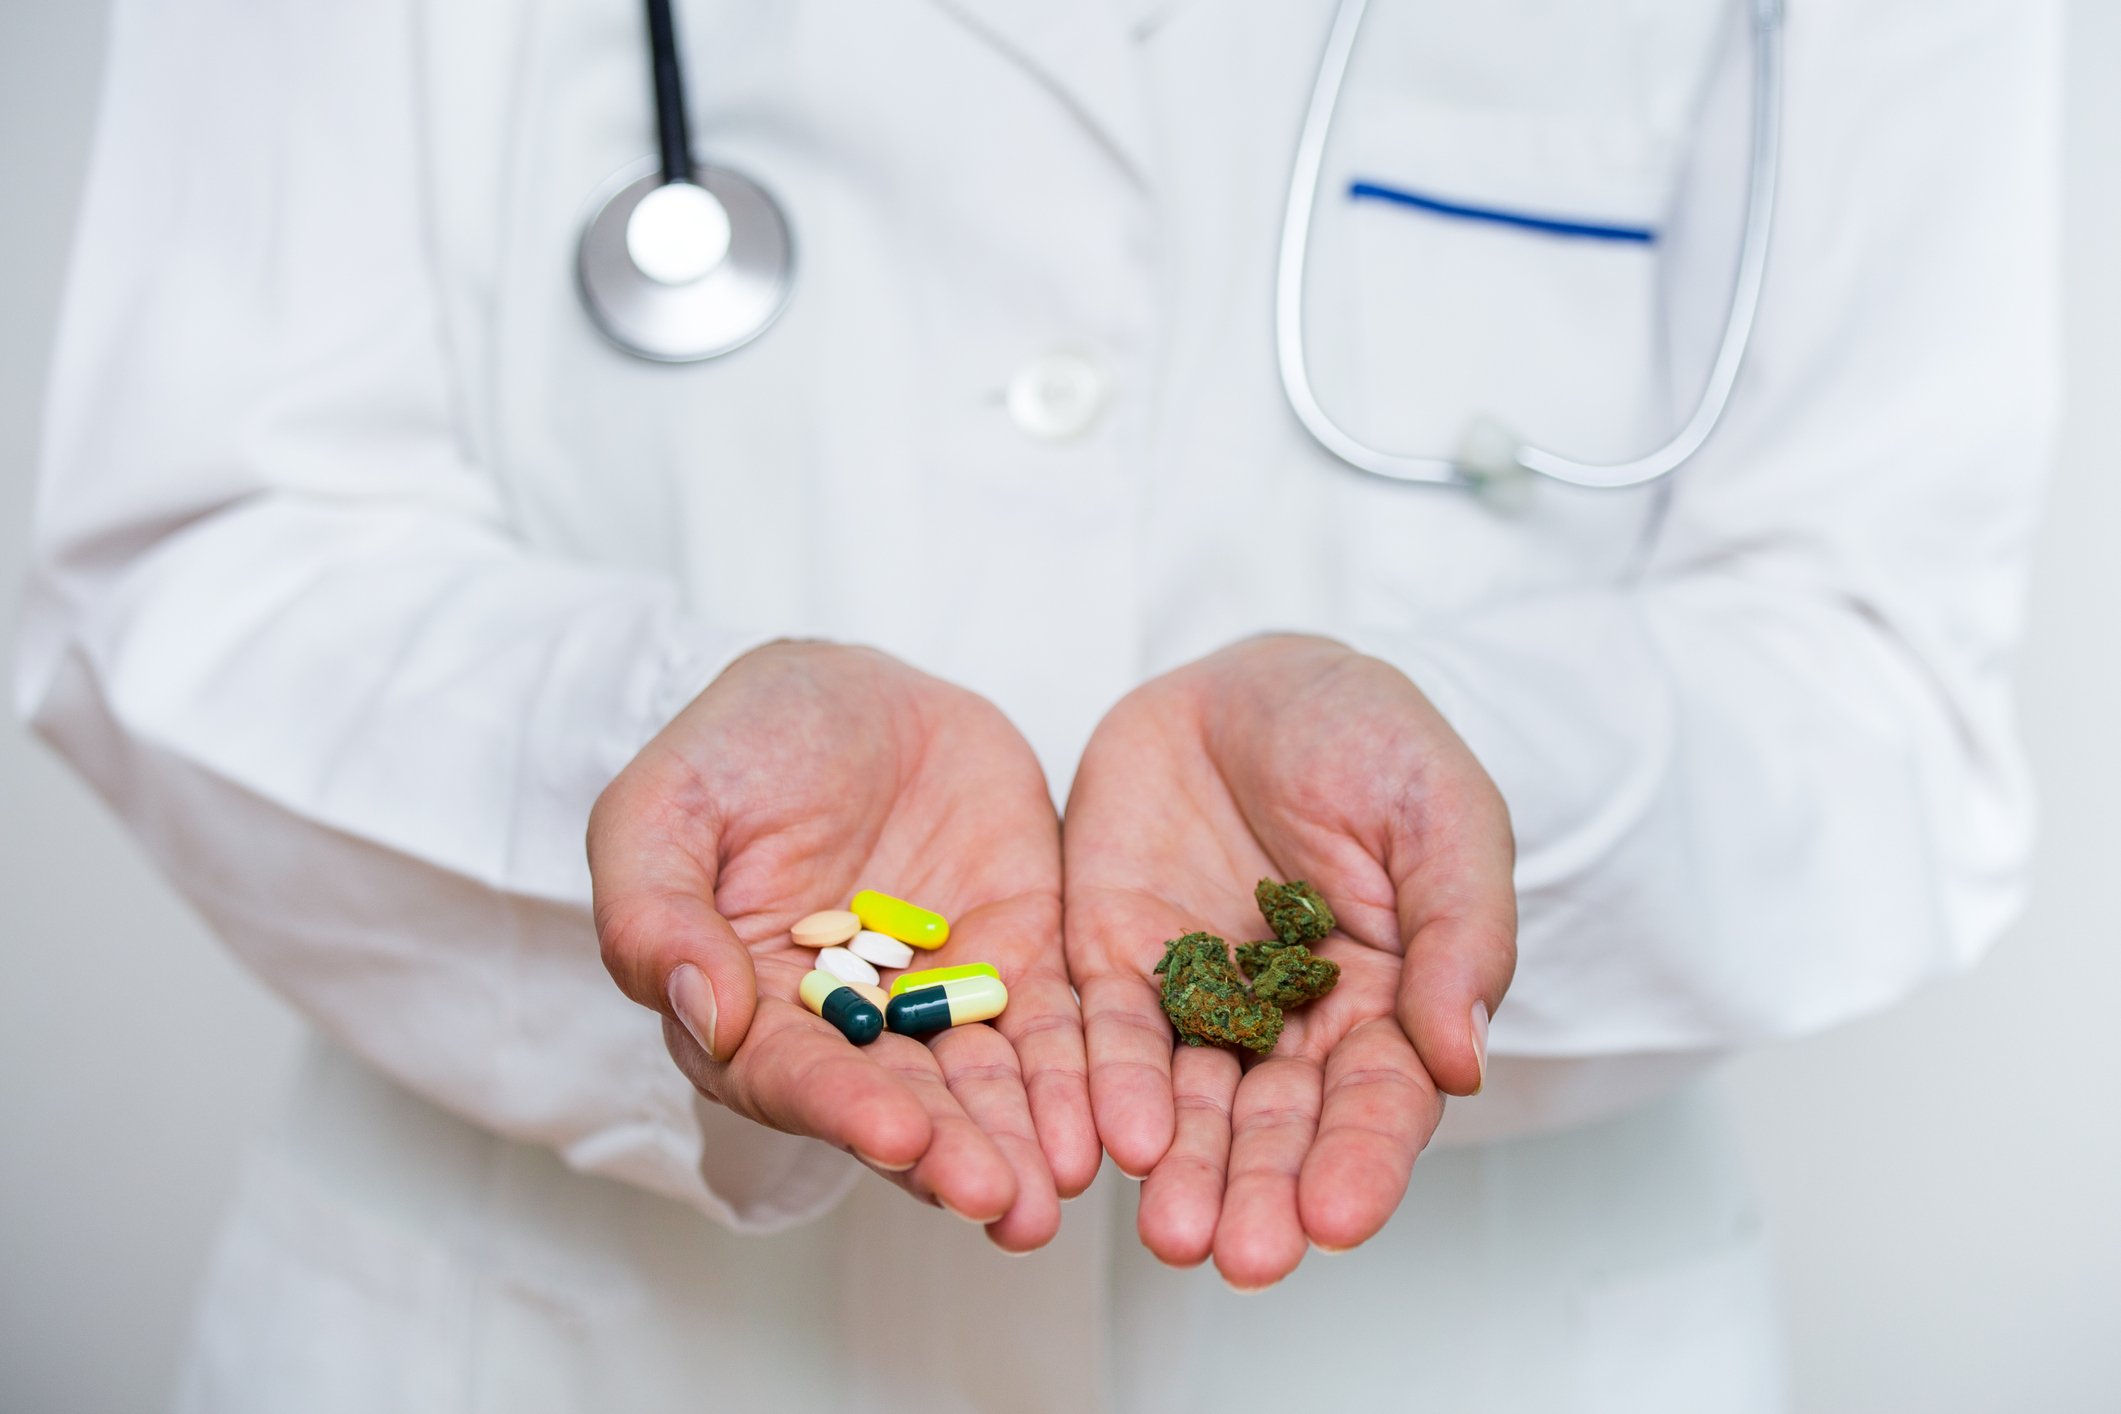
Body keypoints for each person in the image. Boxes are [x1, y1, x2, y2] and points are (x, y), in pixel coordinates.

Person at [18, 0, 2057, 1409]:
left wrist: (1473, 797)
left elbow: (1872, 676)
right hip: (537, 1330)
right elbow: (198, 547)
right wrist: (647, 760)